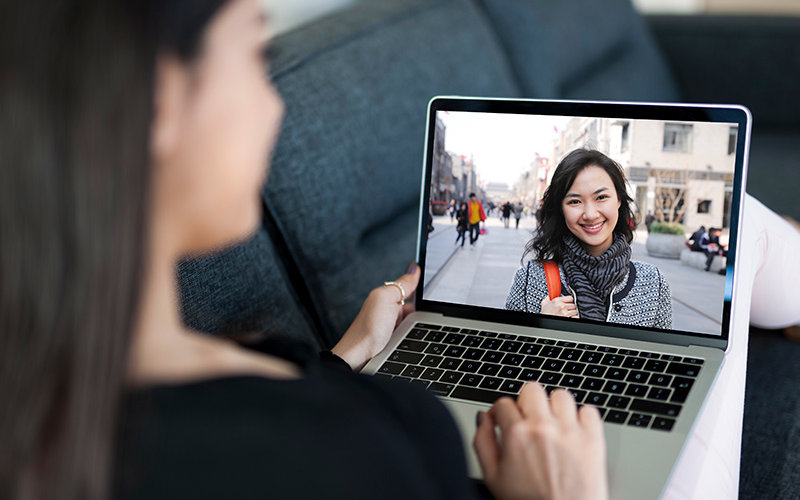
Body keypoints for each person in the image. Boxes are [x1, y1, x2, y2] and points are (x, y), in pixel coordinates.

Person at [0, 1, 610, 499]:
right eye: (255, 57)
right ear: (158, 101)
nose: (275, 105)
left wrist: (346, 355)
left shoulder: (57, 413)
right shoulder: (342, 456)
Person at [505, 149, 673, 329]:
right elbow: (504, 353)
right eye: (575, 201)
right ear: (561, 209)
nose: (591, 214)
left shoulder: (653, 283)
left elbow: (664, 355)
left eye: (601, 197)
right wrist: (541, 328)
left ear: (619, 200)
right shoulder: (530, 279)